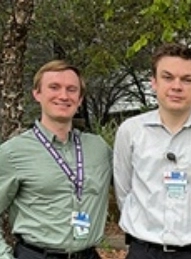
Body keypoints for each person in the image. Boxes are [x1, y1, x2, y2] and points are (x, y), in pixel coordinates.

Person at [113, 43, 191, 259]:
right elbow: (124, 191)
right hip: (145, 252)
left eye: (187, 79)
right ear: (154, 82)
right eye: (168, 77)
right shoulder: (131, 131)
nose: (177, 86)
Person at [0, 60, 112, 259]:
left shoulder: (99, 149)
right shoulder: (13, 153)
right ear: (37, 93)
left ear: (79, 99)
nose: (63, 96)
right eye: (54, 87)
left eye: (71, 89)